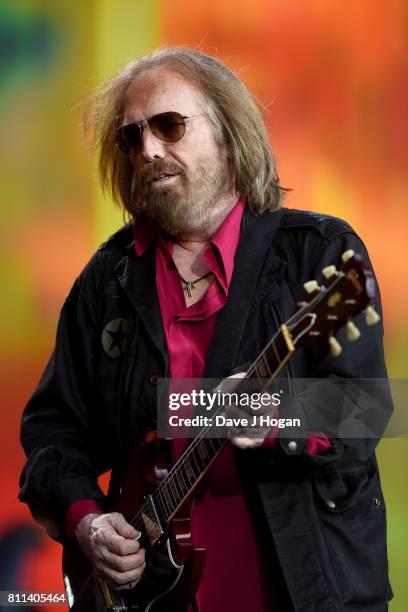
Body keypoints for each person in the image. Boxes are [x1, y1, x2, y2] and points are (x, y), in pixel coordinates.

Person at [19, 47, 393, 612]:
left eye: (169, 126)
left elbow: (369, 411)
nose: (148, 150)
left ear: (227, 132)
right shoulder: (107, 281)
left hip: (304, 591)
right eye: (131, 137)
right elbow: (53, 429)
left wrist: (276, 415)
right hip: (155, 597)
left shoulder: (318, 251)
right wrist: (87, 524)